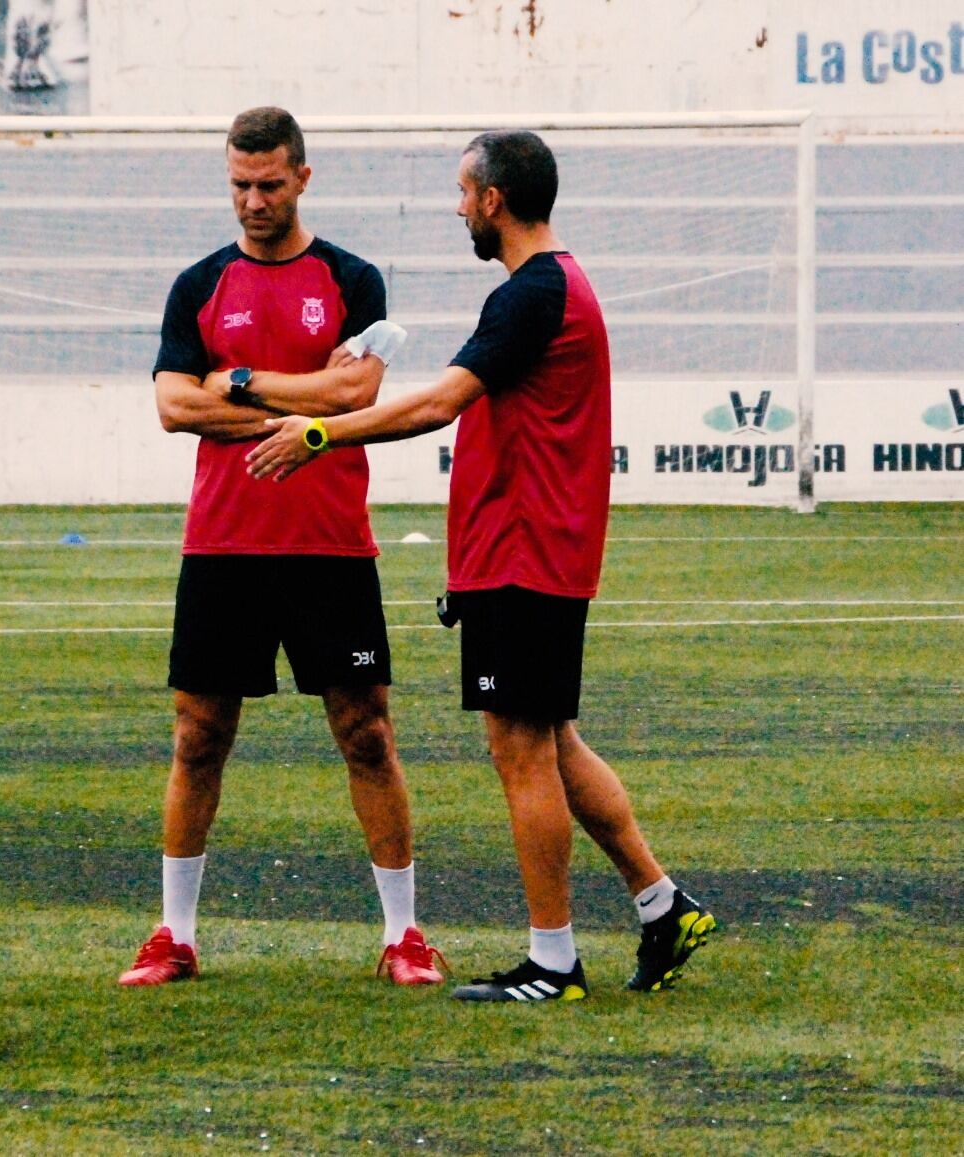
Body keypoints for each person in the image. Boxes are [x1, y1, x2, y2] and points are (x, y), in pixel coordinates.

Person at [247, 129, 716, 1003]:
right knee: (552, 739)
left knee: (518, 748)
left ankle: (552, 961)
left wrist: (319, 430)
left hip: (526, 551)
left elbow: (434, 403)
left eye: (463, 193)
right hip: (534, 548)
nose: (457, 206)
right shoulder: (547, 286)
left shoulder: (532, 293)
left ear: (493, 199)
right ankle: (661, 905)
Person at [118, 107, 445, 988]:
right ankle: (173, 934)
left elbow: (358, 393)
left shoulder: (352, 279)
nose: (252, 200)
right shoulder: (197, 285)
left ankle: (404, 936)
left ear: (303, 177)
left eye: (267, 184)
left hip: (331, 547)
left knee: (366, 732)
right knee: (197, 735)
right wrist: (300, 408)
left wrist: (241, 381)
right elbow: (172, 406)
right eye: (238, 185)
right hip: (221, 545)